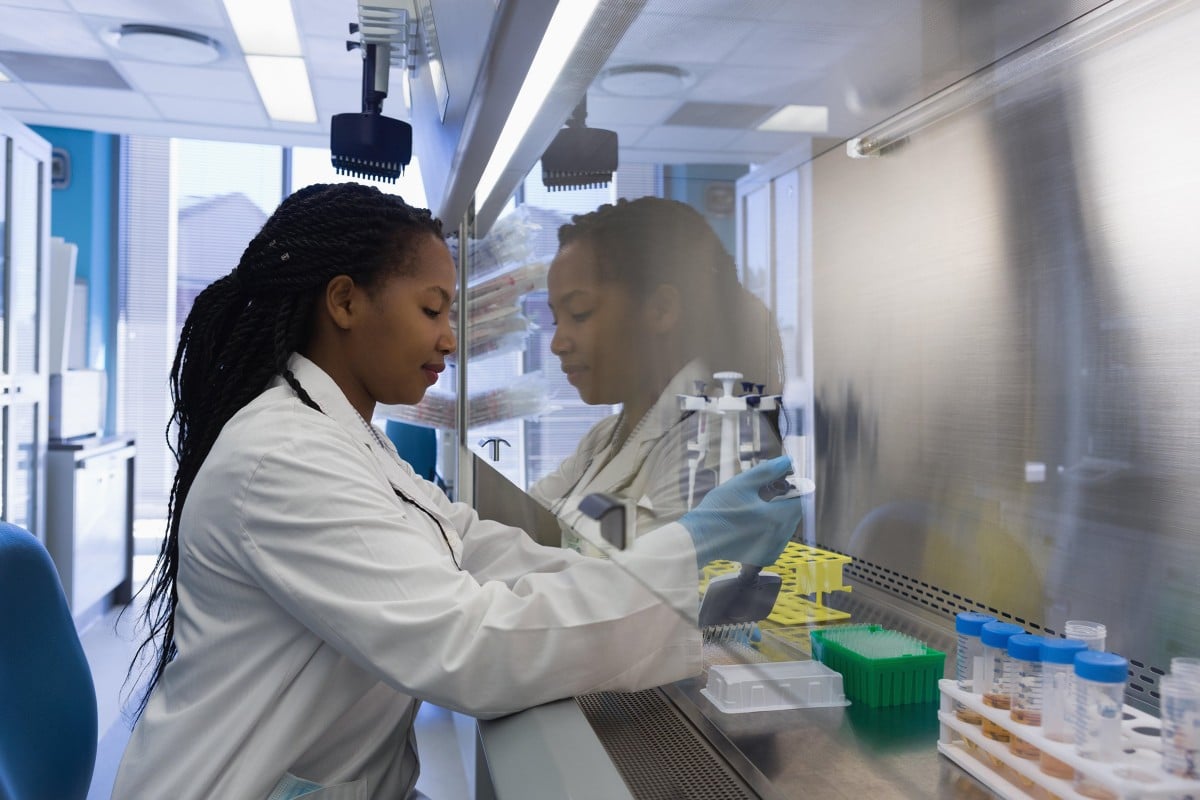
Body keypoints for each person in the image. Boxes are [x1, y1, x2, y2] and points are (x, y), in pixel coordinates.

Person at [112, 183, 804, 800]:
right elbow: (470, 646)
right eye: (432, 309)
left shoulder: (343, 439)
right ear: (346, 302)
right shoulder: (287, 455)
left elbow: (471, 542)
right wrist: (683, 557)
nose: (449, 340)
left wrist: (671, 564)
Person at [530, 196, 787, 554]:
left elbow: (640, 588)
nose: (557, 343)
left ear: (661, 309)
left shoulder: (716, 442)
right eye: (557, 321)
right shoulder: (605, 437)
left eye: (580, 313)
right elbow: (529, 516)